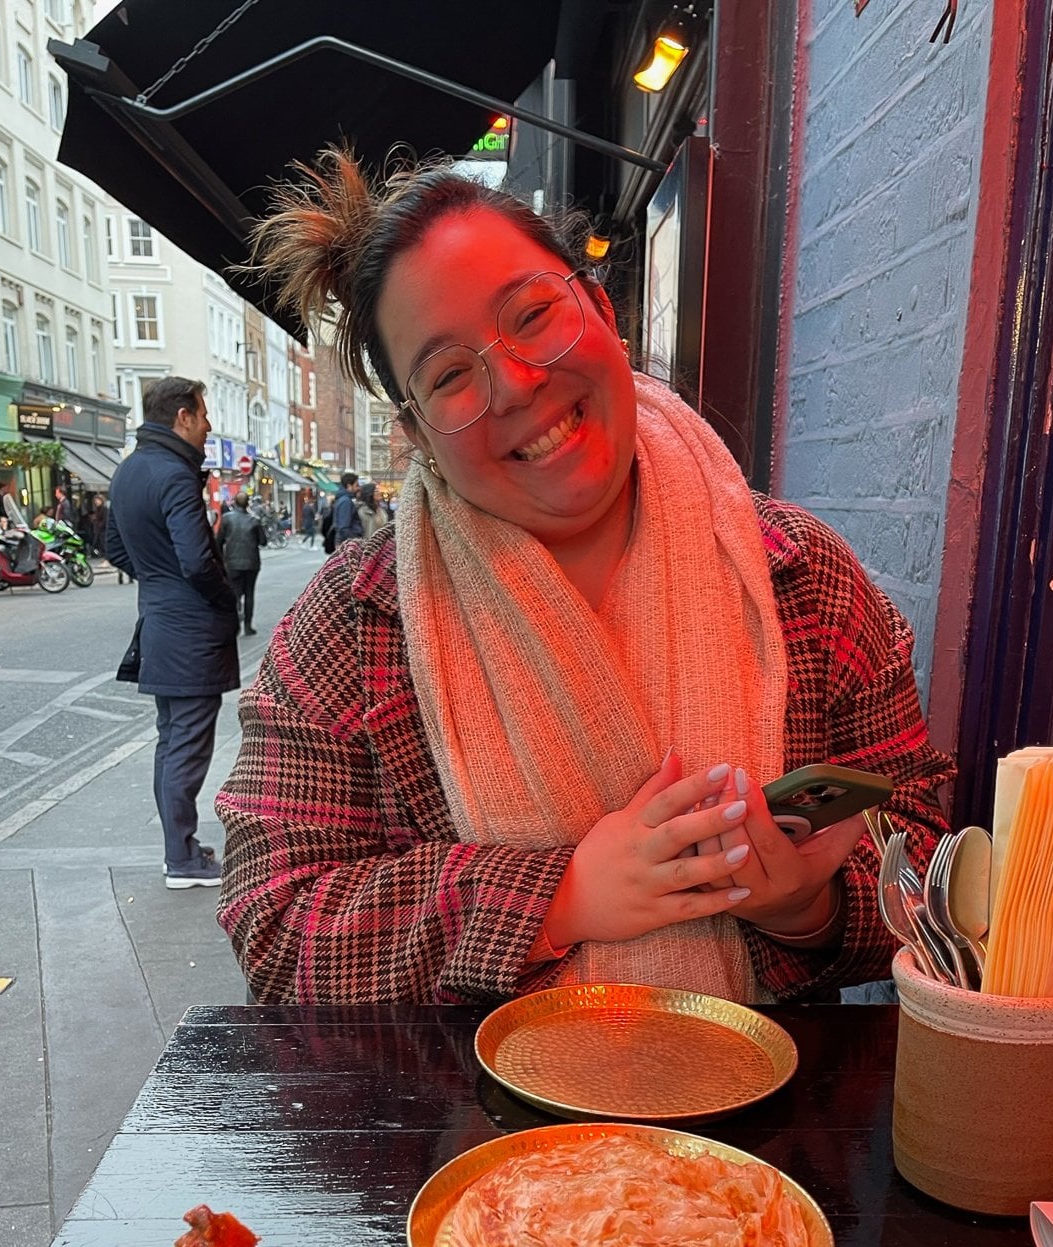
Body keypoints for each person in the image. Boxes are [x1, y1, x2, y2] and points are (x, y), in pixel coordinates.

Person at [217, 151, 953, 1004]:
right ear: (416, 434)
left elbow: (926, 850)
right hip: (471, 1123)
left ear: (602, 309)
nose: (517, 385)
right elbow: (274, 924)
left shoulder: (802, 577)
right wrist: (560, 898)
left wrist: (810, 904)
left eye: (532, 316)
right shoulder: (351, 628)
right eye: (450, 375)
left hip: (761, 1119)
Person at [108, 376, 239, 889]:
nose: (208, 426)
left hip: (160, 624)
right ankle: (182, 861)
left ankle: (178, 847)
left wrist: (157, 580)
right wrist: (222, 599)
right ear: (182, 416)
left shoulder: (129, 471)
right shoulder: (175, 474)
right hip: (190, 632)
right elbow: (196, 558)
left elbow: (115, 549)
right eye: (203, 415)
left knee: (172, 743)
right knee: (187, 745)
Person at [214, 492, 266, 637]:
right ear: (248, 503)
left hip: (232, 562)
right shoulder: (254, 520)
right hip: (251, 562)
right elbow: (263, 541)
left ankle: (234, 623)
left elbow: (219, 542)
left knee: (235, 594)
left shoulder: (226, 519)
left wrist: (220, 560)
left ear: (235, 503)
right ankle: (248, 625)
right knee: (249, 593)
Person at [332, 470, 360, 544]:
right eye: (356, 485)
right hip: (347, 543)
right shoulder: (346, 501)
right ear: (349, 486)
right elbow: (344, 528)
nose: (358, 488)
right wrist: (355, 541)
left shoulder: (344, 499)